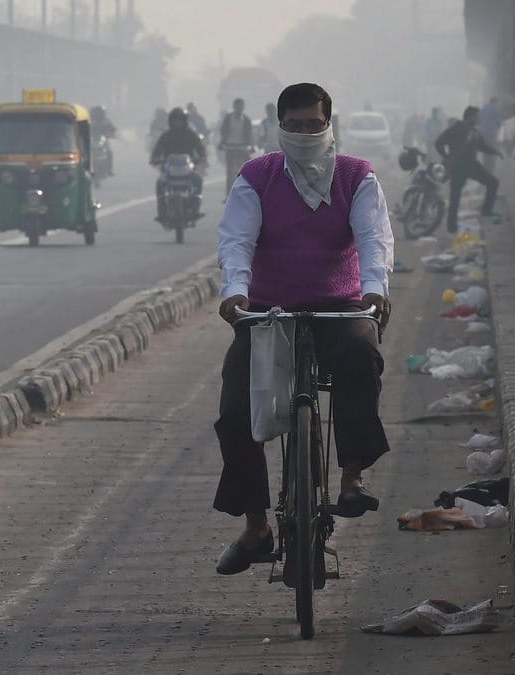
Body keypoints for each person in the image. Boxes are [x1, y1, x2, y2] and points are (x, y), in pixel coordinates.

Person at [213, 82, 394, 575]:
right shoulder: (258, 176)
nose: (304, 134)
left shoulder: (357, 177)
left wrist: (374, 288)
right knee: (234, 412)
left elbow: (374, 237)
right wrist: (236, 290)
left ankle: (351, 477)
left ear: (329, 124)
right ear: (279, 128)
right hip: (268, 311)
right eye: (293, 126)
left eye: (314, 125)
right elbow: (236, 239)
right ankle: (256, 527)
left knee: (362, 355)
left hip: (339, 305)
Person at [435, 105, 502, 233]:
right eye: (477, 116)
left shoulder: (474, 132)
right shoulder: (456, 128)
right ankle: (452, 227)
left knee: (493, 183)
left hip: (472, 166)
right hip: (458, 168)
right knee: (455, 198)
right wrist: (446, 156)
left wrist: (495, 152)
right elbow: (439, 142)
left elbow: (483, 146)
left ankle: (486, 211)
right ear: (470, 116)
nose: (478, 119)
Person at [150, 107, 207, 222]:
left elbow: (200, 148)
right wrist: (155, 158)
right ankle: (162, 213)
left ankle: (195, 210)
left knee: (198, 181)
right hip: (168, 168)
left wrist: (202, 157)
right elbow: (157, 150)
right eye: (175, 120)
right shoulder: (166, 136)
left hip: (188, 168)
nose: (177, 123)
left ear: (184, 121)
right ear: (171, 121)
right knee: (160, 184)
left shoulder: (191, 134)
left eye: (180, 120)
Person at [218, 98, 253, 198]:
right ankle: (229, 195)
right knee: (230, 172)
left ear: (243, 107)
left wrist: (251, 146)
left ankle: (246, 192)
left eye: (240, 106)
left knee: (245, 171)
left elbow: (249, 134)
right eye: (237, 106)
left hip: (242, 147)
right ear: (234, 107)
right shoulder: (228, 118)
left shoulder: (246, 119)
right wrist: (223, 142)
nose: (239, 108)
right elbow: (223, 130)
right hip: (230, 147)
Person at [478, 97, 502, 169]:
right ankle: (490, 166)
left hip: (482, 133)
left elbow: (478, 121)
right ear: (495, 102)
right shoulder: (494, 109)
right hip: (491, 133)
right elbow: (498, 122)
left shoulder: (482, 109)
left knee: (484, 147)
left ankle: (485, 164)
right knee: (491, 147)